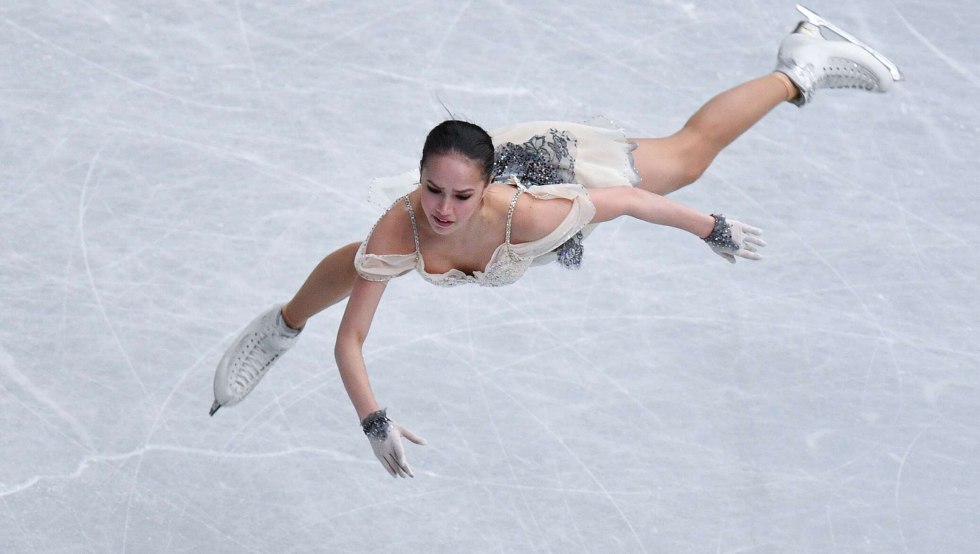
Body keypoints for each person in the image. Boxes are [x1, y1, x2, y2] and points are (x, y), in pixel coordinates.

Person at [209, 6, 903, 478]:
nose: (444, 210)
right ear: (420, 178)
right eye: (432, 190)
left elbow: (628, 201)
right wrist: (373, 422)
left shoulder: (533, 216)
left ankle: (801, 63)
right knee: (380, 255)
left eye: (459, 196)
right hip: (480, 193)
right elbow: (352, 340)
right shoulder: (408, 219)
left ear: (483, 190)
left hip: (558, 172)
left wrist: (708, 226)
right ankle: (280, 325)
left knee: (685, 162)